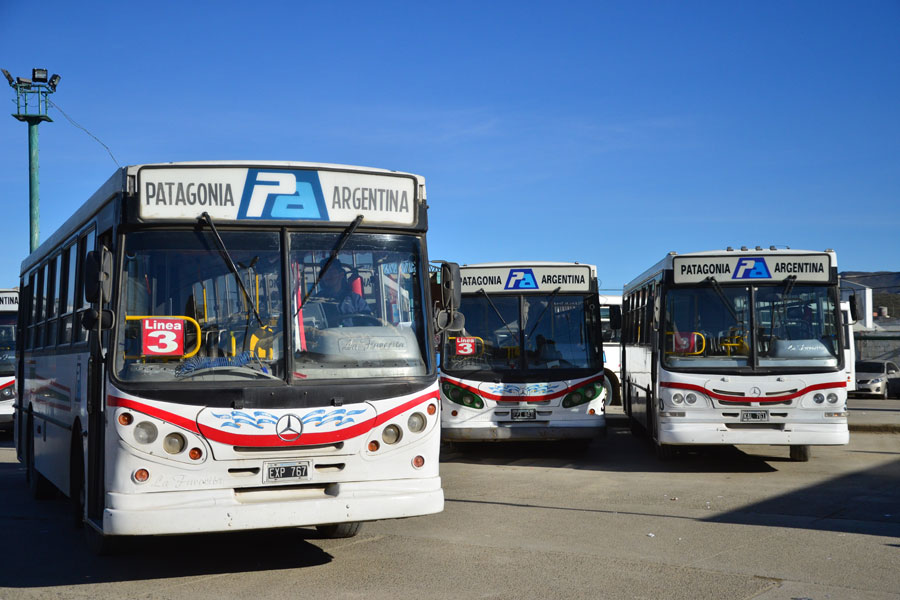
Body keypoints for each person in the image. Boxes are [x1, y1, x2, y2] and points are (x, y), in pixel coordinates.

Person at [311, 259, 372, 326]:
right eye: (324, 272)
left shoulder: (355, 299)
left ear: (341, 274)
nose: (327, 275)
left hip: (353, 335)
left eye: (331, 271)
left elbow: (369, 322)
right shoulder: (315, 301)